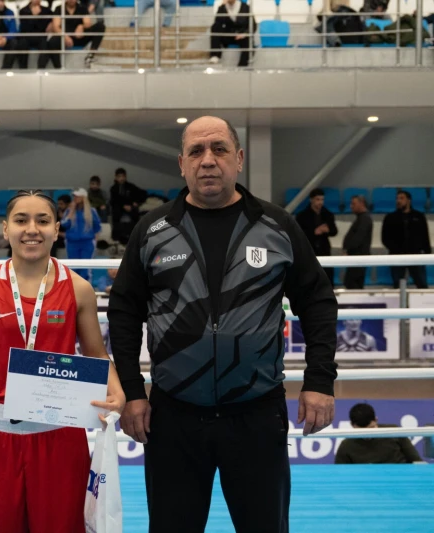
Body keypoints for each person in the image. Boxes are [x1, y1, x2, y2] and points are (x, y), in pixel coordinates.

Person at [108, 116, 338, 533]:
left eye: (219, 149)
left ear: (240, 159)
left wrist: (320, 380)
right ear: (182, 164)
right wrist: (131, 391)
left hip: (256, 413)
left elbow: (318, 302)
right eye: (196, 151)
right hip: (173, 415)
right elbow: (124, 312)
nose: (208, 160)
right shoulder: (152, 230)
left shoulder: (277, 225)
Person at [0, 189, 125, 533]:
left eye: (42, 221)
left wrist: (117, 391)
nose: (32, 229)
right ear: (5, 229)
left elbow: (96, 352)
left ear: (56, 229)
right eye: (21, 220)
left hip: (60, 434)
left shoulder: (78, 289)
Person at [335, 403, 422, 464]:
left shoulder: (394, 432)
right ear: (352, 425)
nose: (367, 434)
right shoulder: (346, 446)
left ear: (376, 420)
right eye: (361, 431)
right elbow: (340, 474)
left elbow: (417, 461)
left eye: (371, 428)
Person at [381, 190, 430, 289]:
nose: (398, 201)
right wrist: (394, 249)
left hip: (416, 255)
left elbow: (425, 236)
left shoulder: (419, 216)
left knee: (422, 283)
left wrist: (427, 253)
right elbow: (385, 237)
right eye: (397, 198)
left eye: (401, 198)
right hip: (397, 255)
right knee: (398, 285)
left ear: (409, 200)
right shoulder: (390, 218)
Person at [295, 187, 338, 285]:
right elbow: (298, 234)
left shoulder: (328, 214)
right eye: (318, 199)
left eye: (322, 199)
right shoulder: (302, 216)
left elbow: (334, 231)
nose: (320, 202)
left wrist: (327, 230)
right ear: (311, 200)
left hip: (324, 248)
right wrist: (314, 232)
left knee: (327, 274)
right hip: (309, 249)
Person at [45, 0, 106, 68]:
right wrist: (65, 36)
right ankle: (58, 68)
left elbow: (88, 23)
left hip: (79, 36)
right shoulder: (59, 8)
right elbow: (55, 27)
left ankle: (90, 56)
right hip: (64, 38)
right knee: (52, 42)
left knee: (100, 26)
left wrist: (81, 26)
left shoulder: (82, 8)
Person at [60, 188, 101, 281]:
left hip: (87, 243)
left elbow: (97, 227)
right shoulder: (69, 211)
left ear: (83, 197)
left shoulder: (92, 211)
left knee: (86, 269)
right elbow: (64, 224)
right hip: (72, 243)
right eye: (74, 196)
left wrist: (94, 241)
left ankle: (86, 288)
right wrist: (71, 211)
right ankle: (74, 289)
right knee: (73, 268)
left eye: (77, 196)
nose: (75, 198)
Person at [209, 0, 255, 67]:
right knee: (215, 27)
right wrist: (222, 7)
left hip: (241, 35)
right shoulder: (222, 7)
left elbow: (253, 25)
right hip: (229, 35)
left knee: (248, 42)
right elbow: (218, 22)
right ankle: (215, 55)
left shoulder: (245, 7)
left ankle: (242, 65)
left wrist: (244, 34)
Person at [109, 167, 147, 245]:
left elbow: (143, 193)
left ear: (125, 177)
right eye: (119, 177)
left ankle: (134, 235)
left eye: (123, 176)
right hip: (119, 207)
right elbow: (114, 200)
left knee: (135, 212)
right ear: (116, 177)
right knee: (116, 212)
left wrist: (136, 202)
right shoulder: (113, 188)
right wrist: (123, 206)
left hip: (130, 206)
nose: (121, 178)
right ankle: (116, 237)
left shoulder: (130, 186)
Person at [342, 195, 372, 289]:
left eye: (353, 203)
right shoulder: (361, 218)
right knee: (352, 283)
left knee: (352, 283)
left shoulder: (365, 219)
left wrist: (348, 249)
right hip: (356, 257)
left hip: (358, 257)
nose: (351, 206)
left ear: (361, 203)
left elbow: (358, 238)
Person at [18, 0, 54, 69]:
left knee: (46, 45)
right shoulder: (23, 11)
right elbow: (26, 28)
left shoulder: (46, 11)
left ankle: (41, 70)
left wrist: (52, 23)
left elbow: (43, 28)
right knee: (22, 44)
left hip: (41, 37)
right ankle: (23, 70)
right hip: (27, 37)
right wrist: (34, 16)